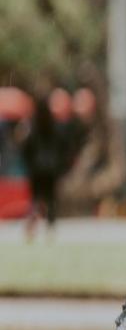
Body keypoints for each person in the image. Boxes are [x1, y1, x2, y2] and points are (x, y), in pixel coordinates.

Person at [21, 94, 74, 239]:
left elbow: (26, 148)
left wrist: (30, 164)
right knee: (51, 200)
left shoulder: (32, 127)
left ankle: (32, 226)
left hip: (37, 170)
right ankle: (50, 227)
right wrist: (60, 165)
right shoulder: (54, 126)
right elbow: (64, 147)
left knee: (35, 200)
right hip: (50, 170)